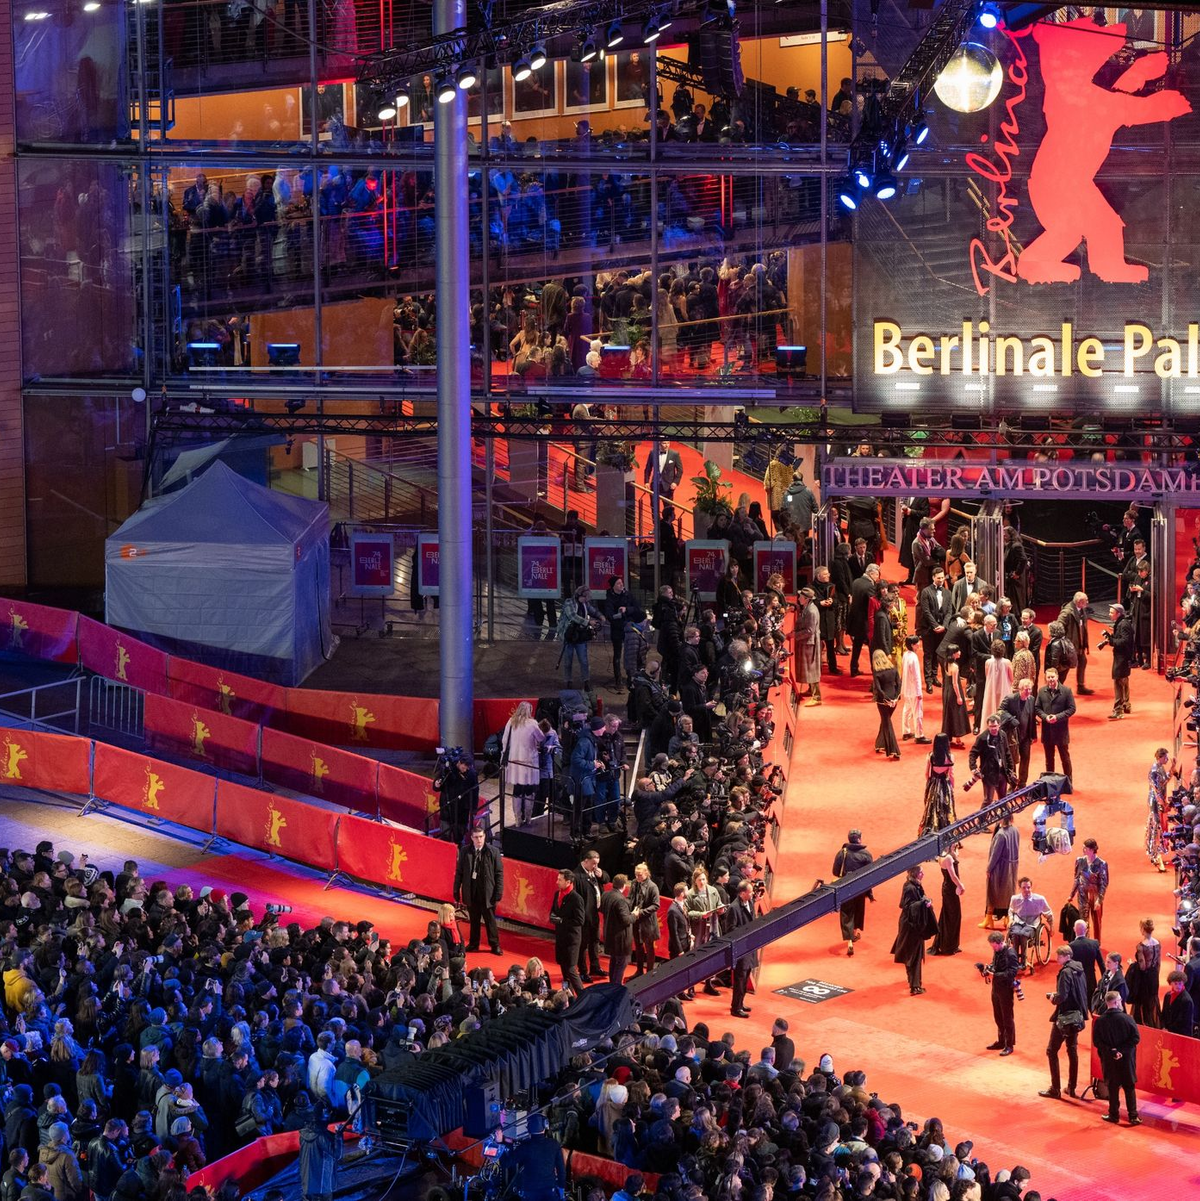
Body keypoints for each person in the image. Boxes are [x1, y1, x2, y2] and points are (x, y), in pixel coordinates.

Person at [1038, 945, 1089, 1100]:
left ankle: (1055, 1088)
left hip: (1066, 1017)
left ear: (1065, 956)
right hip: (1077, 1016)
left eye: (1059, 956)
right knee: (1072, 1051)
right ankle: (1071, 1087)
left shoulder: (1065, 972)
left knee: (1051, 1050)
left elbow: (1062, 996)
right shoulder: (1079, 969)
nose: (1057, 959)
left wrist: (1054, 998)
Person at [453, 826, 504, 956]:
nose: (479, 839)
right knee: (474, 920)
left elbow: (499, 873)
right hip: (471, 891)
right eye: (476, 837)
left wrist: (498, 892)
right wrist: (456, 889)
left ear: (484, 836)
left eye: (481, 836)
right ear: (471, 838)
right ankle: (474, 943)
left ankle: (495, 945)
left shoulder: (493, 851)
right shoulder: (465, 851)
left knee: (490, 921)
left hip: (488, 893)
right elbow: (459, 872)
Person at [1093, 992, 1141, 1126]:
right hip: (1126, 1060)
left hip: (1109, 1060)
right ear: (1115, 1002)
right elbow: (1135, 1038)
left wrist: (1112, 1051)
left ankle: (1113, 1115)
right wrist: (1121, 1051)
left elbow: (1097, 1041)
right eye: (1120, 1000)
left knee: (1113, 1087)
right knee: (1129, 1087)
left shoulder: (1100, 1021)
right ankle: (1133, 1116)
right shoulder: (1128, 1019)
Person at [891, 866, 935, 995]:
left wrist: (924, 900)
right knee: (914, 955)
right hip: (911, 926)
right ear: (915, 873)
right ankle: (915, 986)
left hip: (911, 924)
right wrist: (924, 904)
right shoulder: (910, 887)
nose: (923, 873)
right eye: (921, 871)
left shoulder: (913, 885)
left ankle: (912, 981)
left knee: (911, 954)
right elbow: (908, 906)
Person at [502, 702, 546, 827]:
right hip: (529, 763)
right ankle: (528, 818)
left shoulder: (511, 722)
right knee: (529, 792)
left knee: (517, 791)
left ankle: (517, 820)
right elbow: (541, 738)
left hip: (514, 762)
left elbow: (505, 740)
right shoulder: (532, 723)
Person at [505, 1112, 566, 1201]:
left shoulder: (524, 1147)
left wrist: (503, 1143)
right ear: (545, 1125)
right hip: (550, 1192)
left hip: (529, 1193)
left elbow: (506, 1163)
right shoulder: (554, 1144)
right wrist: (561, 1191)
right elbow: (561, 1171)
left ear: (528, 1128)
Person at [832, 830, 874, 957]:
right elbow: (870, 874)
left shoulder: (842, 853)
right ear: (859, 839)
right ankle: (854, 934)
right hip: (860, 888)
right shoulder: (866, 854)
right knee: (858, 911)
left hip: (845, 888)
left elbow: (835, 872)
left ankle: (849, 941)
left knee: (847, 913)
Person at [574, 848, 610, 983]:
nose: (596, 866)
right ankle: (583, 971)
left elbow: (606, 879)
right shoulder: (576, 876)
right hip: (584, 917)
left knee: (594, 942)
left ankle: (595, 967)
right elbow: (575, 899)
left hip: (594, 914)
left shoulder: (595, 872)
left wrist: (601, 875)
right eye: (594, 863)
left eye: (597, 864)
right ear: (586, 861)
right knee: (583, 945)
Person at [557, 586, 603, 688]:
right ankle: (568, 680)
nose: (586, 600)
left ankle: (586, 681)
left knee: (584, 660)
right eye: (585, 597)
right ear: (580, 595)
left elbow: (593, 611)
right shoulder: (569, 602)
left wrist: (600, 616)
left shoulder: (585, 603)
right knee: (568, 660)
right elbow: (573, 616)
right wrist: (588, 622)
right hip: (568, 635)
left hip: (580, 635)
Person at [549, 869, 586, 996]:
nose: (556, 882)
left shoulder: (576, 899)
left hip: (572, 939)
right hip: (560, 937)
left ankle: (582, 995)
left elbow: (580, 920)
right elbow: (554, 911)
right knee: (563, 968)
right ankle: (567, 994)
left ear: (568, 882)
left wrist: (561, 921)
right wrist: (553, 918)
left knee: (570, 969)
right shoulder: (557, 894)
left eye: (560, 879)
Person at [1036, 668, 1076, 782]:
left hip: (1061, 731)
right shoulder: (1041, 691)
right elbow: (1037, 708)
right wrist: (1045, 717)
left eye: (1052, 677)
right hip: (1047, 731)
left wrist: (1057, 717)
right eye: (1048, 677)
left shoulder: (1067, 691)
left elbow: (1072, 708)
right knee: (1049, 759)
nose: (1051, 680)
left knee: (1065, 758)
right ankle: (1050, 782)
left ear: (1057, 677)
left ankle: (1068, 782)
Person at [917, 568, 953, 692]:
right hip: (928, 629)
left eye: (943, 577)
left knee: (937, 654)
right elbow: (926, 611)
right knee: (928, 654)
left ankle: (934, 677)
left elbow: (949, 611)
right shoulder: (926, 592)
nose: (941, 580)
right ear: (933, 577)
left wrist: (944, 625)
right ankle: (928, 681)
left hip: (942, 629)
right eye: (939, 578)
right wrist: (935, 626)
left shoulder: (948, 593)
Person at [726, 880, 758, 1018]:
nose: (752, 894)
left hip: (750, 946)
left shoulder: (749, 902)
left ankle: (741, 1002)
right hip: (741, 948)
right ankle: (735, 1008)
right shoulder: (733, 908)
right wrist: (746, 932)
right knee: (740, 979)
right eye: (750, 892)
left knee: (745, 978)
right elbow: (730, 929)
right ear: (742, 893)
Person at [985, 930, 1020, 1055]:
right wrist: (987, 969)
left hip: (1005, 990)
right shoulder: (997, 951)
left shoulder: (1011, 954)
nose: (993, 948)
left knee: (1007, 1018)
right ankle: (1001, 1041)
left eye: (993, 946)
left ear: (1000, 943)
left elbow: (1012, 973)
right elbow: (994, 964)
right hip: (996, 989)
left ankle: (1009, 1045)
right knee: (998, 1017)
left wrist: (995, 974)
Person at [1007, 877, 1053, 971]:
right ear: (1020, 888)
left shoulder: (1039, 899)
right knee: (1015, 934)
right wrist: (1010, 920)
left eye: (1028, 887)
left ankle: (1023, 961)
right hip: (1018, 922)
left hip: (1032, 924)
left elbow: (1048, 913)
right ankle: (1015, 961)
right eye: (1024, 888)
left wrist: (1051, 927)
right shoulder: (1015, 899)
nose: (1027, 890)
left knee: (1023, 935)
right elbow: (1011, 911)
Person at [969, 714, 1017, 804]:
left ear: (999, 725)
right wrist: (973, 767)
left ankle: (1006, 818)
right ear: (988, 726)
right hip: (988, 774)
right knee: (988, 800)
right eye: (991, 726)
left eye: (995, 726)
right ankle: (982, 818)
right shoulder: (982, 738)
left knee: (1003, 799)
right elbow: (973, 753)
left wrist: (1011, 769)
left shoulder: (1003, 735)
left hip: (1002, 772)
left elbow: (1007, 753)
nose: (993, 729)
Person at [983, 814, 1020, 929]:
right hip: (1012, 865)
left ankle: (989, 918)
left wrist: (989, 869)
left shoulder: (1001, 835)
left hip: (1000, 868)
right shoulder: (1015, 830)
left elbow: (995, 855)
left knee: (993, 892)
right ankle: (1007, 917)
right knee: (1009, 891)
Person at [434, 752, 480, 845]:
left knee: (459, 837)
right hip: (447, 808)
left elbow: (475, 793)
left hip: (462, 811)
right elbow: (437, 785)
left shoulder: (472, 774)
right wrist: (436, 784)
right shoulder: (447, 770)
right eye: (464, 767)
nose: (466, 769)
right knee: (445, 836)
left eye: (468, 767)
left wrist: (474, 809)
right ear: (459, 763)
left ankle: (460, 856)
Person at [1068, 838, 1109, 941]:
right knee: (1083, 919)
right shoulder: (1079, 861)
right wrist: (1071, 894)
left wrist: (1099, 900)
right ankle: (1085, 942)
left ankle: (1097, 942)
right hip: (1082, 894)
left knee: (1097, 921)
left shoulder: (1102, 864)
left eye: (1085, 848)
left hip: (1095, 894)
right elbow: (1077, 878)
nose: (1083, 850)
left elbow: (1103, 884)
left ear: (1091, 850)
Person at [999, 678, 1037, 787]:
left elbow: (1032, 719)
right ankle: (1012, 783)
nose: (1028, 692)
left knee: (1025, 759)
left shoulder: (1031, 699)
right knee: (1012, 760)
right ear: (1020, 689)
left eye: (1030, 689)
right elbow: (1000, 710)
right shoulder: (1010, 698)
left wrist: (1033, 735)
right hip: (1012, 737)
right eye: (1026, 689)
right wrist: (1011, 719)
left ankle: (1022, 783)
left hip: (1026, 736)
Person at [929, 844, 965, 957]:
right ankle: (948, 946)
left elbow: (956, 857)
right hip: (950, 890)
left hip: (949, 888)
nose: (956, 844)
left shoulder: (944, 855)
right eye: (954, 842)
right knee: (952, 917)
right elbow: (953, 876)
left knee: (949, 916)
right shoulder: (948, 858)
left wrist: (954, 851)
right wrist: (961, 886)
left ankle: (951, 945)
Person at [599, 874, 634, 986]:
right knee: (621, 963)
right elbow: (626, 919)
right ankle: (616, 987)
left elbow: (601, 909)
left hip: (609, 934)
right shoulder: (620, 900)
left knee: (614, 961)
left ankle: (612, 985)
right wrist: (634, 915)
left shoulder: (605, 894)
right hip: (621, 939)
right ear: (624, 886)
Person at [919, 733, 957, 834]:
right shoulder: (950, 757)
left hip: (934, 783)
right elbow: (951, 774)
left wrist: (930, 785)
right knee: (946, 808)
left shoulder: (931, 756)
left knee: (931, 808)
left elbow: (927, 773)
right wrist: (951, 787)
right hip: (945, 785)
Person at [1128, 917, 1161, 1027]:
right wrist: (1155, 976)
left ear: (1143, 929)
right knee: (1153, 999)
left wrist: (1132, 964)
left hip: (1144, 978)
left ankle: (1142, 1023)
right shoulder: (1157, 943)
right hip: (1154, 975)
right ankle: (1153, 1023)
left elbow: (1142, 966)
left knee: (1142, 1001)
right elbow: (1158, 963)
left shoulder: (1141, 947)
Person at [848, 563, 880, 677]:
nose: (878, 577)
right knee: (872, 646)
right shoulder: (869, 586)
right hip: (865, 622)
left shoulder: (856, 581)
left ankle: (853, 668)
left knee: (857, 645)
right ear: (871, 573)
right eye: (877, 574)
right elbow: (874, 603)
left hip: (855, 619)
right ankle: (875, 670)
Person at [628, 863, 660, 978]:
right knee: (638, 946)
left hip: (648, 922)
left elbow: (656, 905)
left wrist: (640, 912)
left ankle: (650, 973)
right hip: (636, 920)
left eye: (639, 875)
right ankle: (639, 970)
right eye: (636, 875)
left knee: (649, 947)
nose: (637, 877)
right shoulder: (634, 883)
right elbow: (630, 898)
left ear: (646, 873)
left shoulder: (652, 887)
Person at [1058, 592, 1094, 695]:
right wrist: (1063, 643)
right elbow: (1059, 626)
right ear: (1079, 602)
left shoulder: (1081, 610)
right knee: (1065, 667)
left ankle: (1081, 686)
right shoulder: (1067, 612)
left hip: (1080, 644)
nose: (1087, 602)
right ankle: (1057, 687)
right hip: (1070, 645)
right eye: (1085, 601)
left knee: (1082, 661)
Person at [1104, 602, 1134, 719]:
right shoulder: (1122, 623)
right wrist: (1110, 637)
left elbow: (1124, 642)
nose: (1109, 614)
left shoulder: (1123, 625)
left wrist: (1111, 641)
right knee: (1124, 680)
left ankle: (1118, 710)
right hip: (1123, 657)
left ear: (1118, 614)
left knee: (1118, 681)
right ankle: (1126, 705)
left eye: (1111, 612)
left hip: (1122, 657)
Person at [871, 648, 901, 760]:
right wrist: (895, 698)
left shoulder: (877, 672)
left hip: (883, 701)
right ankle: (879, 744)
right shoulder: (893, 669)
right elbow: (899, 683)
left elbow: (879, 689)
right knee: (885, 721)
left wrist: (887, 699)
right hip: (894, 699)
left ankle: (895, 750)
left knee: (887, 723)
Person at [794, 588, 822, 706]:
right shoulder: (807, 608)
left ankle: (817, 697)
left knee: (812, 669)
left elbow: (809, 631)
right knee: (810, 668)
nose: (799, 598)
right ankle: (811, 690)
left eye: (800, 597)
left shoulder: (811, 611)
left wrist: (795, 635)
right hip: (808, 642)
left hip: (810, 643)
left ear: (806, 599)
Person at [1146, 746, 1170, 872]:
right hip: (1155, 801)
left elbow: (1165, 781)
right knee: (1156, 827)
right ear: (1160, 757)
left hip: (1160, 800)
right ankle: (1155, 855)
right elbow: (1155, 790)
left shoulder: (1161, 767)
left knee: (1159, 826)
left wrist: (1172, 768)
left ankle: (1156, 854)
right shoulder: (1155, 770)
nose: (1167, 759)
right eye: (1165, 757)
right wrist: (1162, 804)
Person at [900, 635, 927, 743]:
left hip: (906, 689)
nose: (918, 644)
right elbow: (916, 677)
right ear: (912, 645)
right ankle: (919, 735)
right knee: (917, 713)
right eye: (917, 643)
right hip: (914, 690)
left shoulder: (905, 655)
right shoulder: (914, 658)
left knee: (906, 711)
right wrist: (919, 691)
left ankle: (906, 731)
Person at [940, 650, 971, 746]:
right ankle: (957, 738)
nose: (960, 652)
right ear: (953, 653)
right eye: (957, 651)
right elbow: (955, 683)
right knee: (957, 714)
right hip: (954, 692)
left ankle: (948, 738)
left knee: (948, 714)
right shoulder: (955, 666)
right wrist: (959, 697)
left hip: (947, 691)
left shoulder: (945, 663)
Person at [981, 641, 1014, 724]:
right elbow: (1011, 678)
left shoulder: (988, 662)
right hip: (1004, 688)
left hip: (991, 689)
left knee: (991, 708)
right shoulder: (1007, 662)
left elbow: (987, 675)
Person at [1070, 918, 1104, 999]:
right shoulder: (1094, 943)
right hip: (1091, 980)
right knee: (1092, 1005)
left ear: (1074, 929)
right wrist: (1105, 981)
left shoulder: (1070, 946)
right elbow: (1101, 964)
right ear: (1086, 930)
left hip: (1077, 981)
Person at [1162, 970, 1196, 1036]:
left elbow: (1182, 1021)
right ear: (1171, 983)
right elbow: (1164, 1014)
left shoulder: (1186, 1000)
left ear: (1183, 983)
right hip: (1168, 1031)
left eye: (1180, 983)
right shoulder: (1167, 995)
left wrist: (1169, 1030)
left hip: (1181, 1034)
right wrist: (1163, 1027)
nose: (1178, 986)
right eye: (1175, 983)